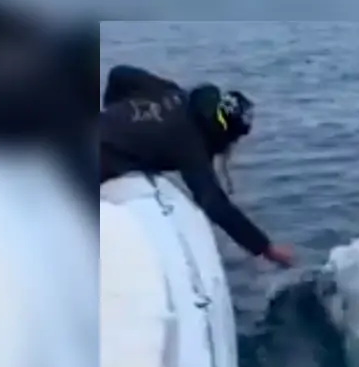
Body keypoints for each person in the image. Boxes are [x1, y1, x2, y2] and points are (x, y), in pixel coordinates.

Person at [99, 65, 294, 268]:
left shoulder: (173, 92)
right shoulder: (191, 147)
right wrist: (267, 249)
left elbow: (120, 73)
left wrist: (113, 115)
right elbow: (216, 206)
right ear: (225, 134)